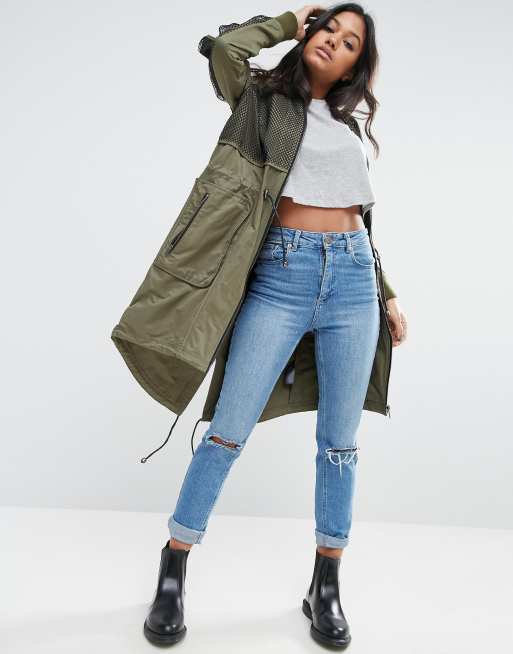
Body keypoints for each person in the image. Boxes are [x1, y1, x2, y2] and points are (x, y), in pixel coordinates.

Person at [142, 3, 407, 648]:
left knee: (340, 445)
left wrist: (388, 293)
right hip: (281, 277)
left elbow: (358, 218)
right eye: (330, 29)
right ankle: (174, 565)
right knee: (226, 432)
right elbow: (226, 50)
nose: (335, 42)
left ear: (356, 65)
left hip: (353, 282)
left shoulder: (349, 125)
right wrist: (291, 19)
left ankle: (326, 582)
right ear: (312, 34)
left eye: (350, 42)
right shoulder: (261, 101)